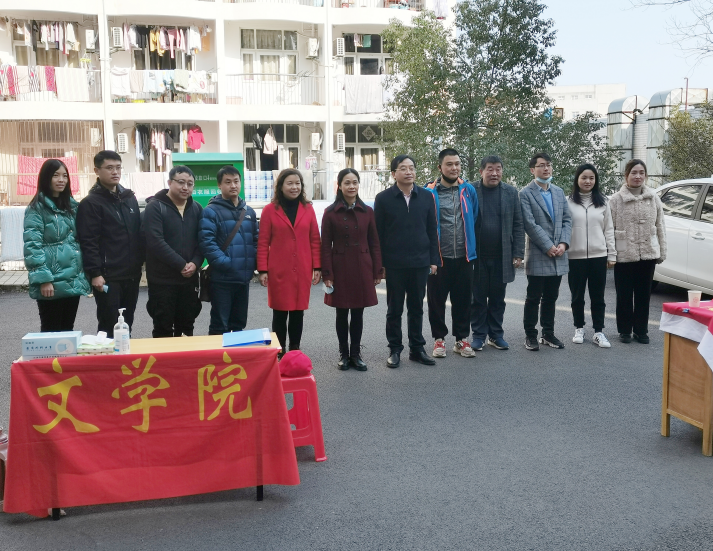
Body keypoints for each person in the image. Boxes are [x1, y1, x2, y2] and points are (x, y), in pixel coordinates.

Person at [374, 155, 440, 368]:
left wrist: (433, 259)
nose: (409, 172)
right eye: (403, 168)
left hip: (420, 262)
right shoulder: (383, 198)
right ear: (394, 173)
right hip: (394, 263)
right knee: (394, 309)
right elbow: (378, 234)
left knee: (416, 307)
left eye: (412, 167)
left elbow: (432, 230)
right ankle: (395, 349)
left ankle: (417, 348)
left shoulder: (426, 196)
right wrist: (380, 263)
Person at [321, 168, 383, 371]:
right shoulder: (330, 212)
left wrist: (377, 270)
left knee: (358, 312)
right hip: (339, 267)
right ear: (339, 186)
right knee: (341, 312)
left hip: (362, 266)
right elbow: (325, 246)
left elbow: (374, 242)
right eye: (347, 182)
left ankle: (355, 354)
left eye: (354, 182)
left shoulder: (367, 211)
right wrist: (327, 274)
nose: (351, 186)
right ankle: (344, 354)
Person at [77, 150, 143, 337]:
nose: (115, 172)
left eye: (118, 167)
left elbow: (137, 233)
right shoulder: (91, 203)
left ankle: (125, 355)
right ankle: (106, 356)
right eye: (109, 168)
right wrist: (95, 273)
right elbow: (88, 241)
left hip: (131, 273)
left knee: (126, 324)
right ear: (97, 171)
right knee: (109, 324)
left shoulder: (129, 198)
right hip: (108, 277)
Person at [257, 169, 321, 356]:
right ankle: (279, 350)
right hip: (279, 269)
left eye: (297, 183)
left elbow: (315, 240)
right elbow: (263, 242)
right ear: (281, 186)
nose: (294, 187)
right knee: (279, 312)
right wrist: (262, 270)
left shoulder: (308, 209)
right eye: (290, 183)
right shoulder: (270, 210)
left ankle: (294, 349)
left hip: (302, 267)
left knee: (298, 312)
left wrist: (317, 266)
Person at [23, 159, 90, 332]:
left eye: (65, 176)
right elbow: (32, 246)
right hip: (51, 280)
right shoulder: (37, 208)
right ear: (46, 178)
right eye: (55, 175)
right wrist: (44, 279)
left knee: (68, 329)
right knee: (51, 331)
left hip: (72, 279)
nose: (61, 180)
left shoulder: (72, 206)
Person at [424, 148, 478, 359]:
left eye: (457, 164)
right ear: (440, 167)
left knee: (463, 300)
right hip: (439, 258)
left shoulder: (468, 190)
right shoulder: (429, 193)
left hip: (464, 257)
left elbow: (474, 217)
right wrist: (430, 256)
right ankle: (439, 339)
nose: (454, 168)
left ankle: (461, 339)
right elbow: (425, 224)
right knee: (436, 301)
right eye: (449, 164)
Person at [609, 159, 667, 344]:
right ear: (626, 175)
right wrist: (610, 253)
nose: (638, 176)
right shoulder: (615, 200)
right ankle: (625, 330)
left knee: (643, 295)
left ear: (646, 176)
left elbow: (660, 225)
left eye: (641, 173)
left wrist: (662, 250)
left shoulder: (653, 198)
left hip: (648, 253)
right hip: (624, 253)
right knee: (624, 295)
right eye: (634, 172)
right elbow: (608, 229)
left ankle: (641, 330)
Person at [471, 155, 525, 351]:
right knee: (477, 298)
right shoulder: (471, 190)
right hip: (477, 256)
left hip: (502, 256)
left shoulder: (511, 192)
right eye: (490, 169)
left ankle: (495, 335)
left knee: (497, 299)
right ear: (481, 171)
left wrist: (518, 252)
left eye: (498, 169)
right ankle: (478, 335)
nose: (494, 173)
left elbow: (518, 224)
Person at [519, 152, 572, 351]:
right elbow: (529, 224)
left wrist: (564, 244)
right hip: (539, 252)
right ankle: (530, 335)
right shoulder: (525, 193)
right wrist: (548, 245)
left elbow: (567, 219)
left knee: (551, 297)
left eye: (548, 164)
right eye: (541, 165)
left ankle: (548, 333)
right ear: (532, 170)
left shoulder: (558, 192)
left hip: (559, 253)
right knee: (533, 297)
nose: (546, 168)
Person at [143, 165, 203, 338]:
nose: (186, 187)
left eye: (190, 184)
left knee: (187, 327)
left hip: (189, 280)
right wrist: (181, 265)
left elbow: (202, 241)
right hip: (163, 280)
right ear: (169, 183)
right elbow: (155, 242)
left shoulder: (197, 208)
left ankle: (186, 357)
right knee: (163, 327)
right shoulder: (155, 207)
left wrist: (195, 263)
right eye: (181, 182)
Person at [199, 166, 258, 335]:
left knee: (239, 324)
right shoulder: (211, 211)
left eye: (236, 181)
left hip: (243, 278)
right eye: (228, 182)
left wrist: (252, 263)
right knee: (220, 324)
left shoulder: (249, 212)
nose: (233, 185)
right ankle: (217, 353)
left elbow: (256, 240)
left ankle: (235, 353)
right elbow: (207, 242)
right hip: (222, 279)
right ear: (219, 185)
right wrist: (226, 263)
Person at [566, 164, 616, 348]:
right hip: (575, 256)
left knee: (598, 297)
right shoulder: (568, 202)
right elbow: (564, 227)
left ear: (596, 180)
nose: (588, 181)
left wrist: (612, 254)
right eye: (584, 177)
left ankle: (598, 331)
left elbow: (609, 229)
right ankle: (579, 328)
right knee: (577, 296)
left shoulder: (603, 202)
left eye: (591, 178)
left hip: (598, 256)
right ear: (577, 179)